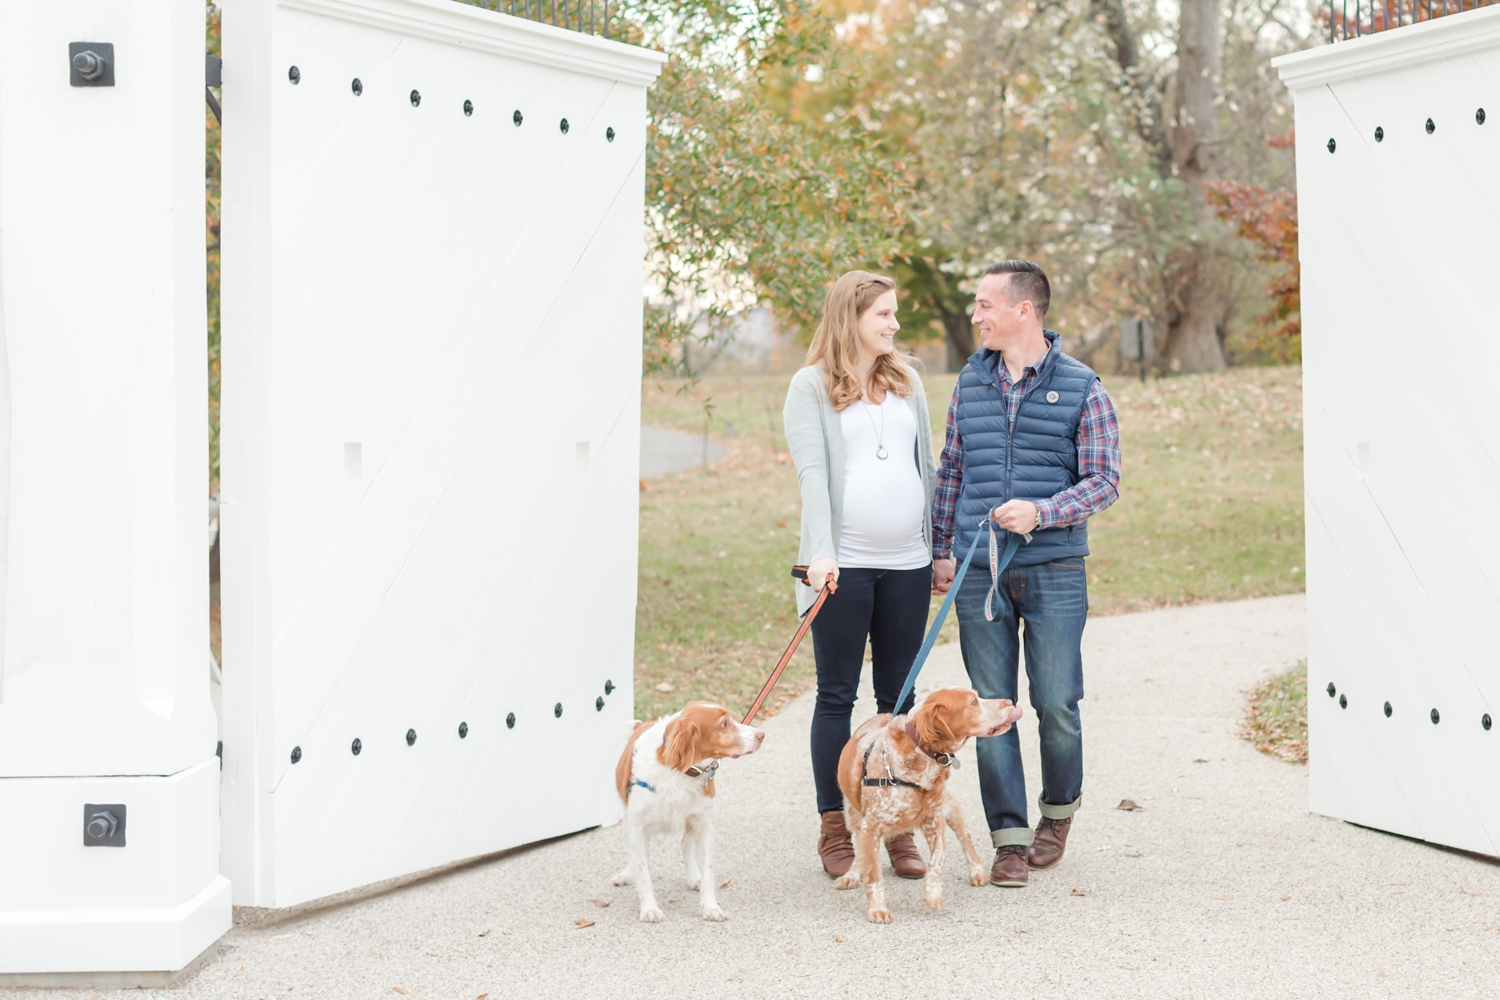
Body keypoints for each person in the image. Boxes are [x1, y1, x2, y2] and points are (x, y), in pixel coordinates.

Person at [931, 260, 1121, 888]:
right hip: (979, 571)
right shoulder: (970, 382)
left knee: (1057, 703)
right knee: (992, 709)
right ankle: (1008, 839)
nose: (976, 315)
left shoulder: (1083, 386)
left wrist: (1042, 512)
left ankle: (1057, 815)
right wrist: (942, 549)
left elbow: (1104, 481)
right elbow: (951, 469)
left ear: (1024, 311)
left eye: (986, 304)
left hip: (1054, 569)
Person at [783, 271, 938, 880]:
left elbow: (925, 465)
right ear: (851, 318)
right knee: (836, 697)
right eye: (884, 315)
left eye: (895, 314)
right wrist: (822, 553)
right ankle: (833, 825)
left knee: (900, 702)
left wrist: (936, 546)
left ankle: (896, 822)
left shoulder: (909, 382)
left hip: (907, 563)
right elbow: (812, 475)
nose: (895, 325)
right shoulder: (811, 386)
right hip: (840, 568)